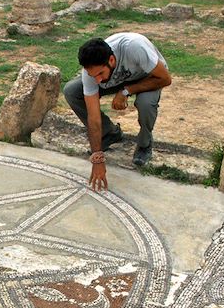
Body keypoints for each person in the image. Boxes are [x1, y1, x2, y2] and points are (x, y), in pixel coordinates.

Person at [63, 33, 172, 191]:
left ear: (111, 60)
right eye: (94, 76)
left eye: (100, 73)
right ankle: (109, 134)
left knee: (145, 104)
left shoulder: (135, 47)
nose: (98, 80)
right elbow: (93, 118)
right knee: (72, 92)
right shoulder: (91, 74)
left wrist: (126, 91)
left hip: (148, 76)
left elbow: (165, 79)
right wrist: (97, 158)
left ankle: (144, 143)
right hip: (118, 79)